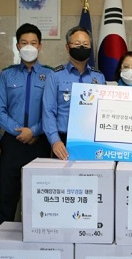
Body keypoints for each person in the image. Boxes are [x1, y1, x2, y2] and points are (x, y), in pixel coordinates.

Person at [0, 23, 52, 225]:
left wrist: (34, 131)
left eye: (33, 43)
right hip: (12, 144)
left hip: (40, 144)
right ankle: (2, 253)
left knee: (39, 201)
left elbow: (52, 111)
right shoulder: (7, 74)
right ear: (17, 46)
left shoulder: (51, 75)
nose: (29, 47)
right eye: (24, 43)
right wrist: (19, 131)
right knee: (7, 199)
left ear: (40, 46)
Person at [42, 25, 105, 160]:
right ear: (67, 47)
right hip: (63, 142)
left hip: (92, 141)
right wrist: (55, 141)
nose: (81, 47)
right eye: (77, 44)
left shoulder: (99, 77)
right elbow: (48, 111)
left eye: (85, 44)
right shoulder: (55, 75)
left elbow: (104, 111)